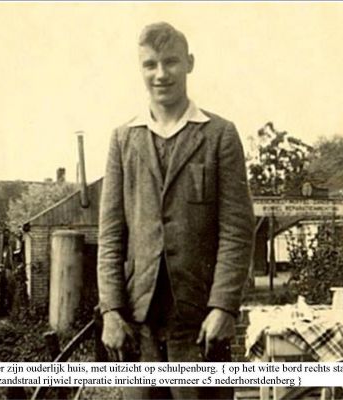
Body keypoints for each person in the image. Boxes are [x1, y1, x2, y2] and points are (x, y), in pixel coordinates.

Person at [98, 22, 255, 399]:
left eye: (170, 62)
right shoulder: (123, 139)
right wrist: (111, 311)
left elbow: (237, 230)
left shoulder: (219, 135)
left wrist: (224, 307)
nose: (161, 74)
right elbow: (110, 234)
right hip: (139, 327)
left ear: (189, 63)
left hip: (200, 324)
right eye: (150, 65)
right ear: (141, 69)